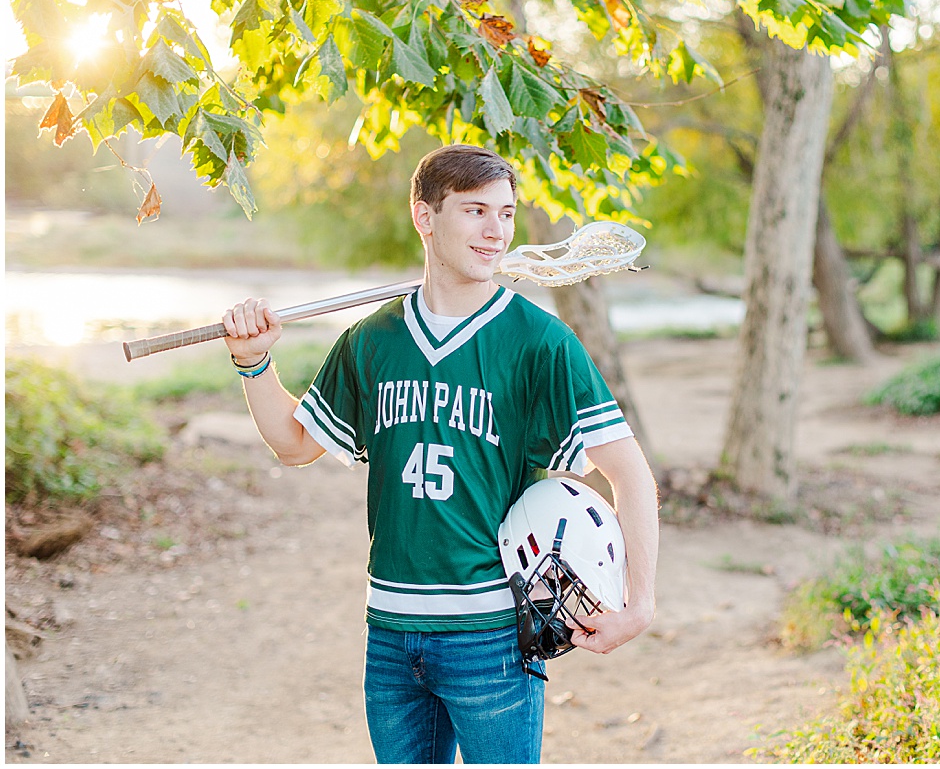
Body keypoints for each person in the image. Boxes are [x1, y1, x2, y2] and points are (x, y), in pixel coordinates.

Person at [221, 144, 659, 764]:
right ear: (425, 218)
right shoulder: (372, 338)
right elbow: (295, 446)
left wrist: (637, 607)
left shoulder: (540, 343)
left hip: (492, 636)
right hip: (391, 633)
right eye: (475, 211)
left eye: (505, 215)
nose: (496, 232)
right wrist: (253, 361)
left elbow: (631, 477)